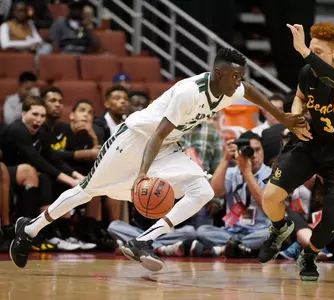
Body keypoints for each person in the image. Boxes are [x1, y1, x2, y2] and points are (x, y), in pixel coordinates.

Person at [9, 48, 306, 271]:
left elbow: (251, 91)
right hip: (136, 139)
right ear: (218, 74)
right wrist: (142, 174)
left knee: (202, 190)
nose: (240, 82)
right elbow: (156, 135)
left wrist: (282, 117)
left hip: (168, 145)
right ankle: (30, 229)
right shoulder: (189, 92)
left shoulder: (231, 87)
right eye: (235, 76)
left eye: (242, 76)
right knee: (88, 191)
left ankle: (143, 241)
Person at [257, 22, 334, 281]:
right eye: (312, 51)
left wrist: (304, 50)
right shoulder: (307, 72)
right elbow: (299, 97)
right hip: (310, 144)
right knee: (270, 197)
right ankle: (280, 228)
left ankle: (310, 254)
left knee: (332, 214)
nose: (311, 55)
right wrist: (295, 120)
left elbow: (333, 79)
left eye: (318, 52)